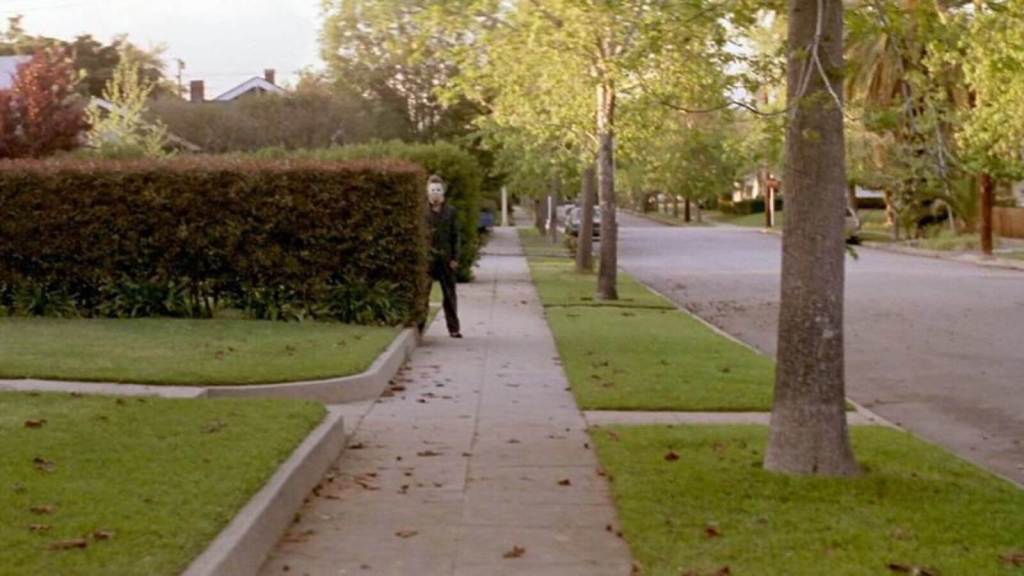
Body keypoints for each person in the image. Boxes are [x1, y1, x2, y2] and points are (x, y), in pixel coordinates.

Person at [427, 175, 462, 338]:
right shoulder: (422, 211)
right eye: (432, 190)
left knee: (449, 294)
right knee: (422, 294)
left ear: (443, 192)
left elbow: (456, 236)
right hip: (428, 259)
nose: (435, 194)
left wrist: (455, 257)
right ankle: (419, 325)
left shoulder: (451, 212)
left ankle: (453, 328)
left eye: (438, 190)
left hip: (446, 259)